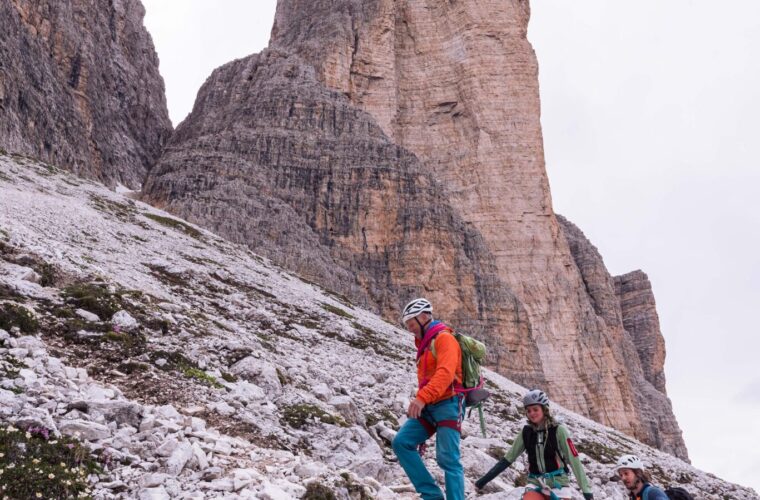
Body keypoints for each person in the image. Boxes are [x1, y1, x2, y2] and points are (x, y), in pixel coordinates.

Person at [392, 298, 465, 500]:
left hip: (449, 403)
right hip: (431, 405)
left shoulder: (444, 339)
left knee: (448, 459)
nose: (411, 330)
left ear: (425, 317)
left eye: (413, 325)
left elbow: (446, 373)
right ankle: (432, 496)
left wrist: (421, 398)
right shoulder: (425, 344)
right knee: (402, 442)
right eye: (408, 326)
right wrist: (424, 400)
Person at [475, 389, 594, 500]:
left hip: (559, 484)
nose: (532, 413)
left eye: (535, 409)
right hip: (535, 483)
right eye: (528, 410)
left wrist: (587, 492)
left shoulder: (559, 430)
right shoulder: (526, 433)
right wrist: (483, 481)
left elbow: (574, 460)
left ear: (544, 409)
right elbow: (507, 459)